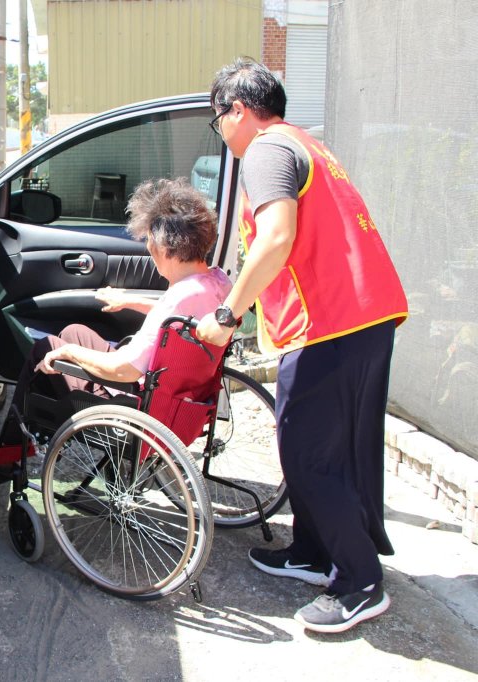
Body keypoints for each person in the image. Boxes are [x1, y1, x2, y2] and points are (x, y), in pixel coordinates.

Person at [195, 58, 408, 634]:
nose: (225, 137)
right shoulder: (307, 146)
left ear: (237, 111)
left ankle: (360, 583)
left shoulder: (265, 150)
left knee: (308, 456)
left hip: (330, 326)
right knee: (333, 451)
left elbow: (277, 238)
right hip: (366, 318)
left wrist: (225, 313)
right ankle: (315, 552)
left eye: (220, 123)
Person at [0, 177, 232, 474]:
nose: (147, 247)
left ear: (163, 246)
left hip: (137, 408)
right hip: (180, 404)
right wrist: (130, 301)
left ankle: (8, 450)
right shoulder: (215, 283)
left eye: (148, 239)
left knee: (47, 349)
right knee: (73, 332)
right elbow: (183, 321)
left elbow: (124, 369)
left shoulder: (177, 299)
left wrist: (68, 354)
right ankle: (20, 441)